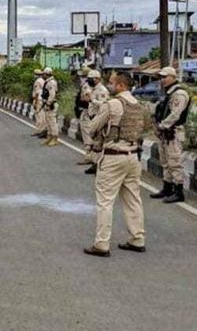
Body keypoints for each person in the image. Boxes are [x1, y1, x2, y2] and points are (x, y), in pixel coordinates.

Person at [82, 72, 146, 257]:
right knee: (133, 199)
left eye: (112, 83)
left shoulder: (113, 104)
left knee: (105, 201)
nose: (110, 86)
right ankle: (137, 238)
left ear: (120, 86)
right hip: (133, 155)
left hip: (113, 156)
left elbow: (92, 127)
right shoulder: (137, 105)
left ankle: (102, 244)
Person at [151, 67, 190, 203]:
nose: (162, 80)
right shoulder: (168, 93)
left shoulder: (179, 94)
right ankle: (167, 188)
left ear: (173, 77)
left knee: (175, 162)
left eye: (165, 77)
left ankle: (178, 191)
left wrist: (162, 125)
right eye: (161, 77)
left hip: (173, 132)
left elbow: (175, 114)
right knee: (165, 162)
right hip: (165, 133)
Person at [79, 69, 109, 174]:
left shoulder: (102, 90)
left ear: (97, 79)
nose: (89, 81)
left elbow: (104, 105)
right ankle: (95, 163)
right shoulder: (91, 89)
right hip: (91, 116)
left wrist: (92, 100)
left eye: (91, 79)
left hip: (98, 117)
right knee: (94, 141)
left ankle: (98, 164)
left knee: (98, 142)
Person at [41, 67, 59, 147]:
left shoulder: (52, 82)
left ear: (46, 74)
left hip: (51, 104)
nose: (43, 75)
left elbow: (52, 94)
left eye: (44, 74)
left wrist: (48, 104)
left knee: (52, 122)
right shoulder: (47, 82)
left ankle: (55, 138)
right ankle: (49, 137)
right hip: (47, 103)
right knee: (48, 121)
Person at [30, 69, 47, 138]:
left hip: (38, 100)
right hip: (42, 100)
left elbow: (37, 93)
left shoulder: (37, 82)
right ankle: (41, 130)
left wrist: (35, 102)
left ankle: (39, 130)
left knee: (38, 116)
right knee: (42, 116)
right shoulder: (43, 81)